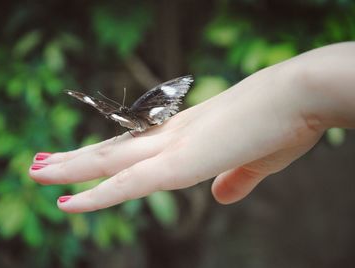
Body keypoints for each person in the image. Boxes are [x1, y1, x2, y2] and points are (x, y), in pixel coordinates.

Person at [29, 42, 355, 213]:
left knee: (132, 119)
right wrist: (304, 94)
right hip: (143, 118)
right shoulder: (130, 108)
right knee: (131, 118)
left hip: (140, 119)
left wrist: (303, 92)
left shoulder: (139, 105)